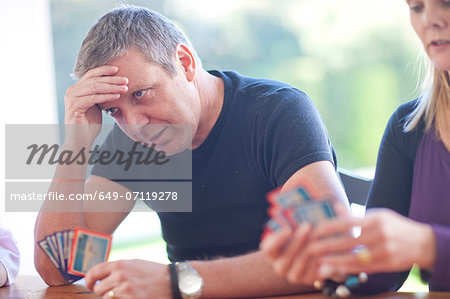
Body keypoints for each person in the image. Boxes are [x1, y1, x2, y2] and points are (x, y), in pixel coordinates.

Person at [34, 5, 348, 299]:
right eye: (113, 110)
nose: (135, 125)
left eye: (141, 94)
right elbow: (62, 268)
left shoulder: (275, 113)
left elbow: (328, 249)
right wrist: (76, 143)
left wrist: (177, 280)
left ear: (184, 63)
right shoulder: (132, 143)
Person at [260, 0, 450, 294]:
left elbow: (422, 245)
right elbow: (378, 274)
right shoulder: (409, 126)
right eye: (416, 7)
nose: (429, 20)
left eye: (446, 4)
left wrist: (429, 246)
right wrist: (338, 268)